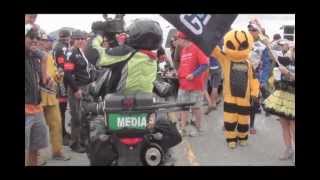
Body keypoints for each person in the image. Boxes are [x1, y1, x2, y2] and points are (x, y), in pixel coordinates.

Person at [211, 29, 260, 149]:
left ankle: (243, 137)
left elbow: (253, 79)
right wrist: (208, 37)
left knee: (244, 120)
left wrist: (254, 92)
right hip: (230, 97)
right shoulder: (226, 59)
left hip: (245, 97)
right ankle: (231, 138)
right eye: (232, 46)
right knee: (230, 119)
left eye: (242, 46)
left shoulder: (248, 64)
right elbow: (215, 50)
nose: (237, 49)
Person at [38, 31, 71, 161]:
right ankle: (36, 155)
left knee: (56, 124)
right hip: (37, 97)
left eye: (47, 41)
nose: (46, 43)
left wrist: (58, 75)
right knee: (38, 127)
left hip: (51, 96)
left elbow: (54, 76)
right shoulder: (31, 56)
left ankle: (57, 152)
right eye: (43, 40)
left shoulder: (50, 56)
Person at [263, 40, 295, 161]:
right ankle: (288, 149)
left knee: (293, 125)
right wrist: (266, 42)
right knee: (284, 124)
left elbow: (290, 75)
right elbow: (273, 55)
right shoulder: (288, 59)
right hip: (283, 95)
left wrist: (288, 73)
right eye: (293, 49)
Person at [64, 30, 94, 153]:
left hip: (86, 87)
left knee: (84, 116)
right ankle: (74, 143)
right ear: (73, 40)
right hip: (77, 88)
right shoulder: (71, 53)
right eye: (78, 39)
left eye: (83, 38)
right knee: (76, 117)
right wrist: (76, 89)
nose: (81, 41)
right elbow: (67, 74)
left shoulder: (81, 52)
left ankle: (82, 141)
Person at [174, 31, 209, 137]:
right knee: (183, 107)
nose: (176, 40)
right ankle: (183, 129)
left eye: (177, 38)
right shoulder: (183, 50)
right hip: (183, 85)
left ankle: (199, 128)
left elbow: (205, 64)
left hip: (195, 86)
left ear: (182, 38)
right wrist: (177, 73)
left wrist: (194, 75)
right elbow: (183, 65)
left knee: (196, 107)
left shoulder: (196, 48)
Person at [25, 24, 49, 166]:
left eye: (36, 38)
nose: (34, 41)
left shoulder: (34, 56)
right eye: (30, 37)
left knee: (35, 146)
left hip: (36, 107)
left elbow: (44, 81)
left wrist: (42, 55)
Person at [52, 29, 72, 146]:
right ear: (67, 37)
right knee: (61, 110)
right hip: (61, 81)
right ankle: (61, 135)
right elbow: (62, 66)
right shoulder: (62, 47)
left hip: (60, 80)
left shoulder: (58, 46)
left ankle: (62, 133)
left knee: (62, 110)